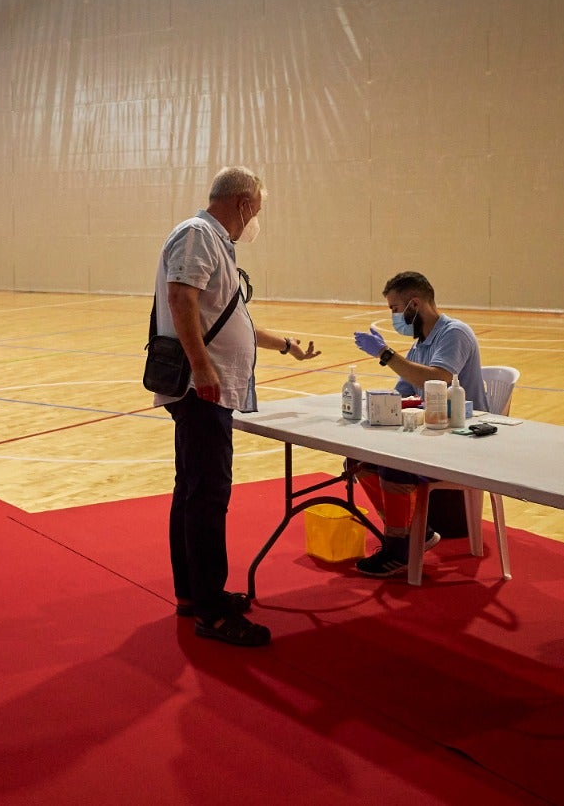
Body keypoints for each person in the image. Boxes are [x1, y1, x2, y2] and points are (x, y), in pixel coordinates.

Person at [154, 166, 320, 647]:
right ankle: (211, 610)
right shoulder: (198, 235)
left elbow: (232, 317)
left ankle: (195, 594)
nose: (256, 222)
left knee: (193, 491)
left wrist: (286, 345)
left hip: (210, 388)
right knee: (207, 498)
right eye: (257, 211)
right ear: (243, 203)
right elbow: (181, 298)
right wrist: (202, 368)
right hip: (201, 390)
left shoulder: (213, 244)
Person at [351, 271, 486, 579]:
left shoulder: (455, 333)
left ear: (415, 304)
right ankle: (414, 532)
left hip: (464, 434)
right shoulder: (420, 343)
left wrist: (386, 354)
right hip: (433, 433)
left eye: (395, 309)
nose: (394, 317)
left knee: (395, 467)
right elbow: (403, 392)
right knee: (360, 459)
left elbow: (437, 379)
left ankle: (399, 546)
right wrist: (372, 405)